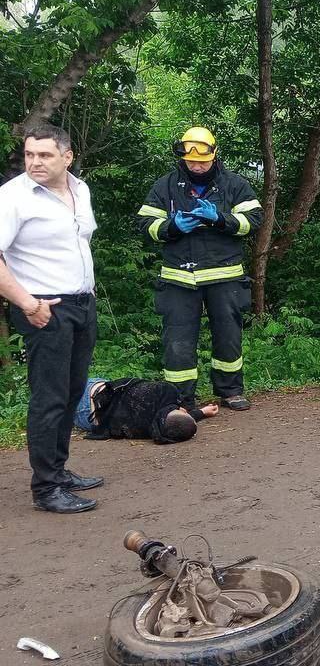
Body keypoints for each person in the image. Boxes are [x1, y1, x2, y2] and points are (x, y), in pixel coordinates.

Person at [0, 123, 102, 514]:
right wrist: (28, 303)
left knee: (73, 391)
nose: (35, 162)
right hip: (44, 309)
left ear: (67, 157)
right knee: (49, 398)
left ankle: (58, 471)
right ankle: (45, 489)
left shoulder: (80, 190)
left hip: (82, 305)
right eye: (30, 154)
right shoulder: (14, 197)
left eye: (44, 155)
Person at [135, 127, 263, 411]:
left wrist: (220, 219)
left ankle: (231, 390)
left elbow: (253, 220)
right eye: (191, 161)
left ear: (214, 155)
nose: (196, 166)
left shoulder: (234, 184)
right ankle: (180, 399)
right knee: (177, 341)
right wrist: (172, 227)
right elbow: (145, 223)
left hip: (224, 274)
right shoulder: (166, 186)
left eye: (202, 161)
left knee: (228, 335)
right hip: (178, 277)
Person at [74, 378, 217, 444]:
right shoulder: (153, 431)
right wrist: (202, 412)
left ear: (184, 411)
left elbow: (176, 416)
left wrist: (194, 411)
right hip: (89, 421)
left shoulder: (166, 392)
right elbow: (175, 423)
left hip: (92, 396)